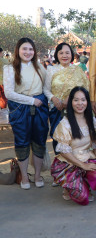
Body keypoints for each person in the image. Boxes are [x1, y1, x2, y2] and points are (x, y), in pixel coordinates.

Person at [3, 38, 49, 189]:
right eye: (24, 49)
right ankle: (24, 176)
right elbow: (9, 93)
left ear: (34, 51)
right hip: (20, 109)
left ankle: (37, 175)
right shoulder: (10, 68)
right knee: (22, 143)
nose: (28, 52)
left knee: (39, 141)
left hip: (40, 107)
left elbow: (46, 88)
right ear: (18, 50)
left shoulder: (40, 67)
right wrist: (31, 101)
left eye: (30, 49)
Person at [51, 87, 96, 205]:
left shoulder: (93, 121)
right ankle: (68, 186)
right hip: (68, 162)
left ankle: (84, 184)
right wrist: (83, 166)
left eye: (83, 100)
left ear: (87, 102)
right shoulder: (65, 123)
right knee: (83, 199)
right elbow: (63, 151)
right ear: (71, 103)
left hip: (86, 156)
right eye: (76, 100)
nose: (80, 103)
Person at [44, 43, 89, 154]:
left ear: (72, 55)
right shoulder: (51, 70)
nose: (64, 55)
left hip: (76, 110)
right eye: (61, 53)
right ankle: (60, 166)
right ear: (57, 55)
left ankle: (75, 167)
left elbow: (85, 88)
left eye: (67, 53)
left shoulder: (77, 70)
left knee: (75, 138)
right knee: (58, 139)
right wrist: (54, 98)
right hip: (57, 110)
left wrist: (71, 98)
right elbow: (45, 89)